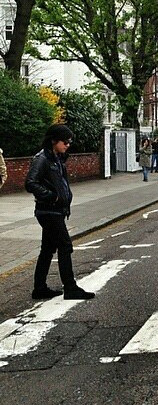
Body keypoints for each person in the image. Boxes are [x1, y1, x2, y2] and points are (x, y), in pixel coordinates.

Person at [25, 124, 95, 300]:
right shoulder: (42, 159)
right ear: (54, 140)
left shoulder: (57, 158)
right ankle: (70, 288)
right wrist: (52, 197)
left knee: (47, 249)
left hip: (56, 211)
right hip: (48, 211)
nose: (68, 145)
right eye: (65, 141)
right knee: (65, 245)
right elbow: (30, 183)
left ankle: (39, 288)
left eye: (69, 142)